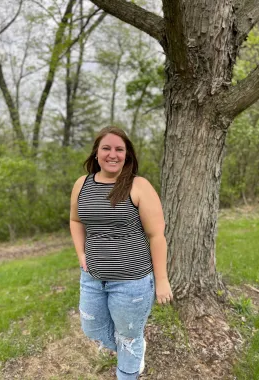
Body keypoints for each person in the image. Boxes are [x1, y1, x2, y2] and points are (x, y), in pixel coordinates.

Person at [70, 126, 173, 379]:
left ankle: (129, 363)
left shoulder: (138, 186)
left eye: (119, 149)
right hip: (92, 278)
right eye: (106, 148)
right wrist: (81, 254)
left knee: (127, 337)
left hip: (132, 283)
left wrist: (162, 281)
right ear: (96, 153)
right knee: (92, 328)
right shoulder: (82, 184)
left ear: (127, 155)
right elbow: (75, 220)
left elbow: (156, 236)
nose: (112, 154)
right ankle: (135, 346)